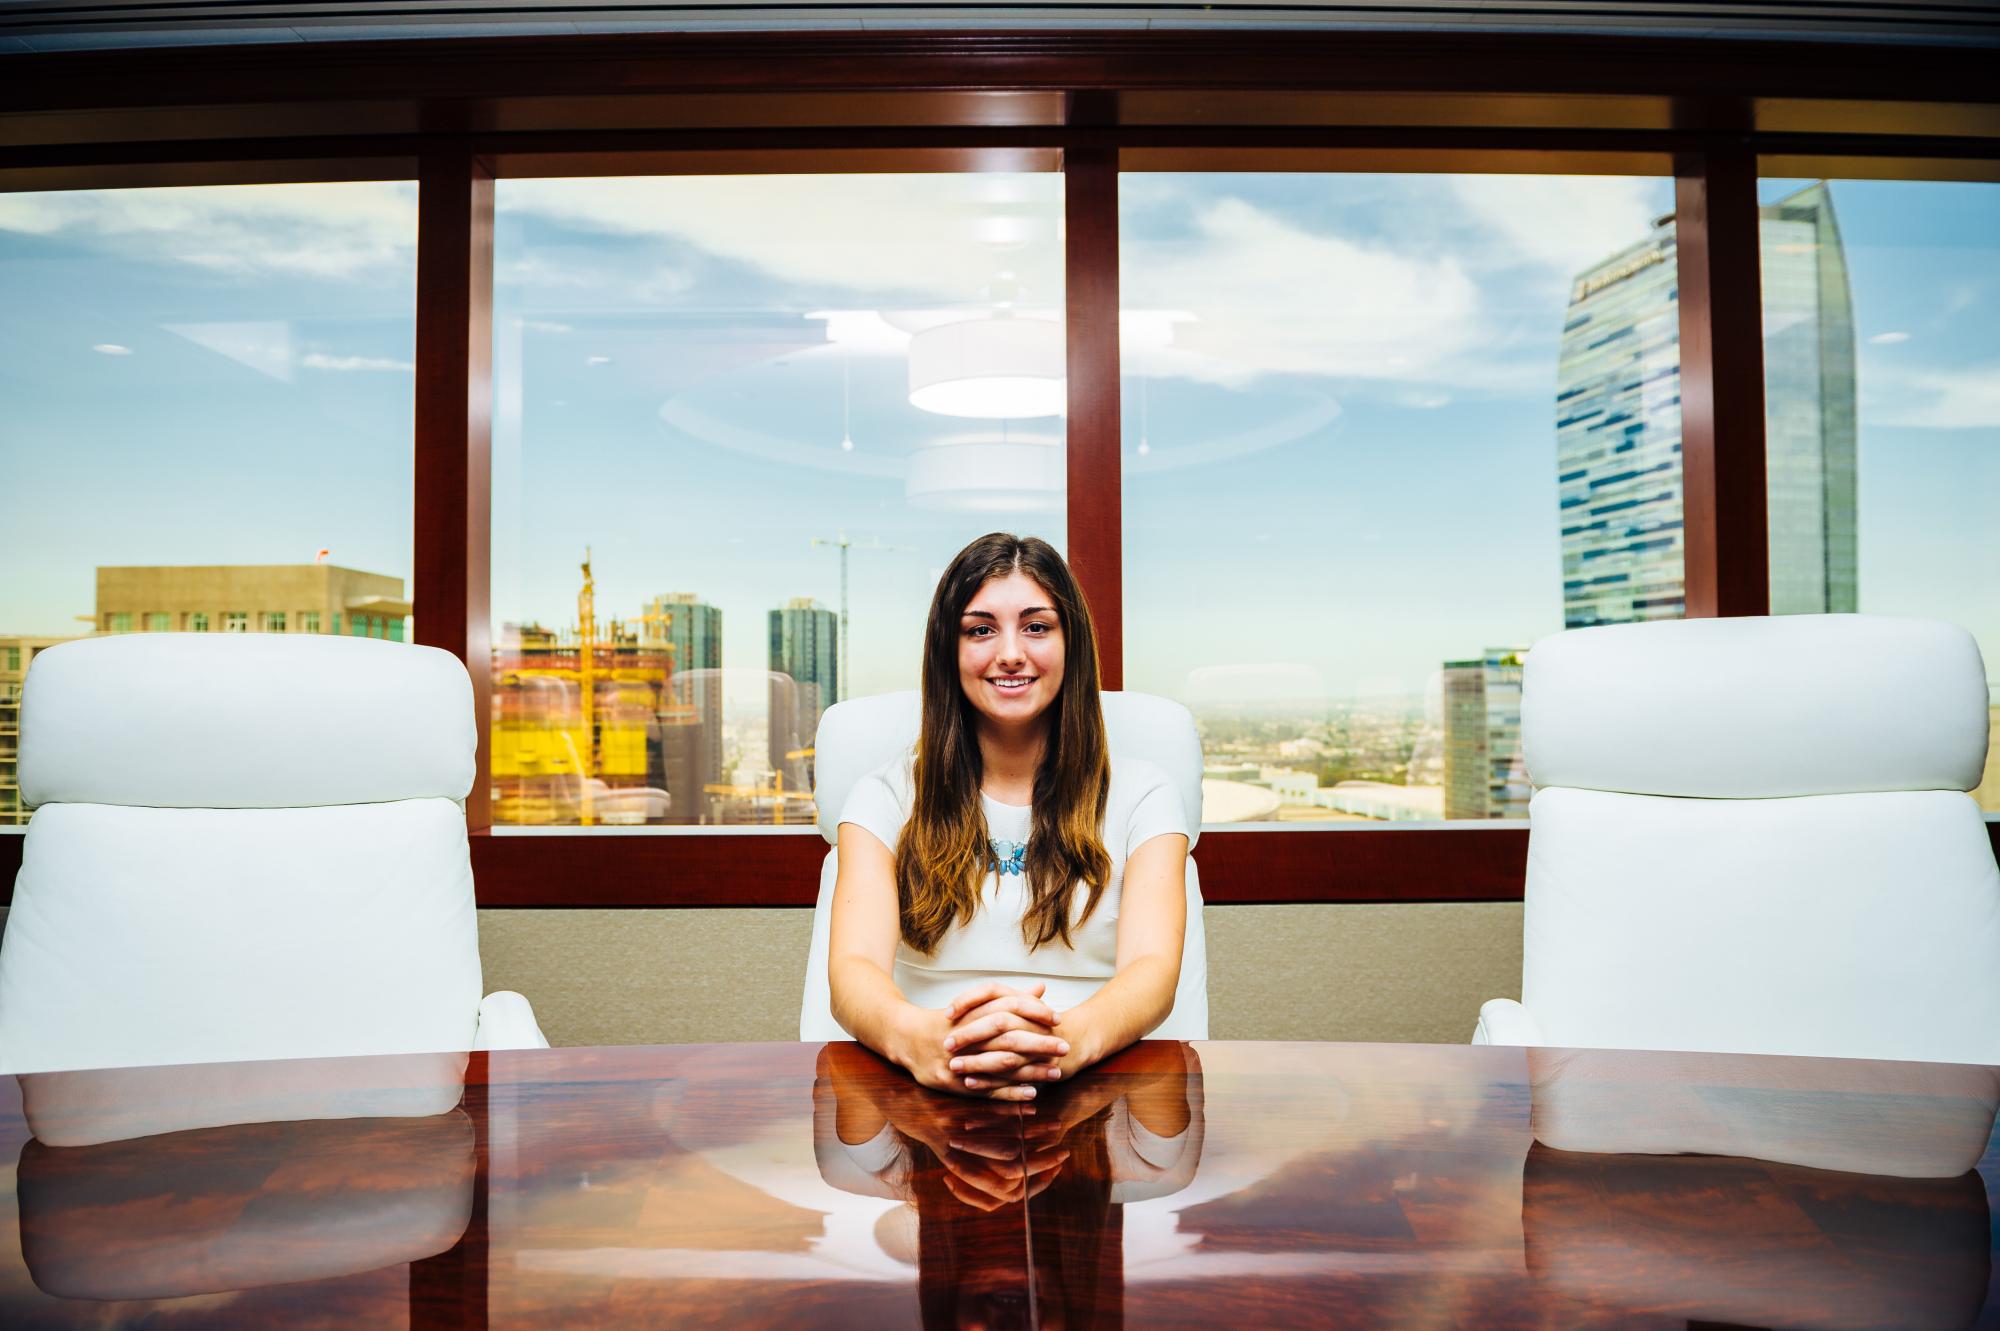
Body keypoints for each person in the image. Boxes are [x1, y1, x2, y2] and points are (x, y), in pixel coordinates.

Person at [828, 532, 1191, 1100]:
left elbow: (1153, 971)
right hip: (921, 1084)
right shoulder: (883, 798)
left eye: (1037, 626)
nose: (1011, 653)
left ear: (1071, 643)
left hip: (1093, 1085)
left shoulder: (1146, 795)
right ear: (949, 648)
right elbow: (852, 972)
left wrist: (1056, 1047)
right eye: (980, 629)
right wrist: (925, 1043)